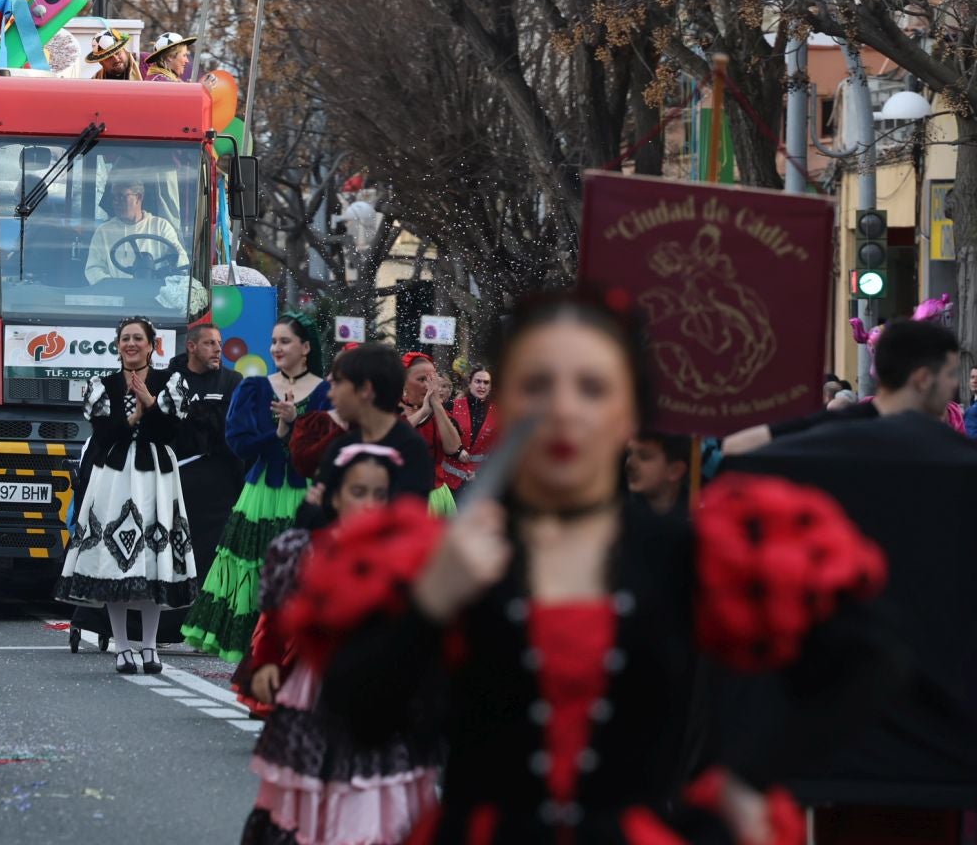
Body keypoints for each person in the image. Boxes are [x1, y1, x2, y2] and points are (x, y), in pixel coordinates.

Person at [287, 288, 895, 842]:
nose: (565, 410)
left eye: (593, 387)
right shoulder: (446, 555)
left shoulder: (687, 550)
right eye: (539, 385)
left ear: (629, 410)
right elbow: (354, 715)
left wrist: (746, 778)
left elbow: (862, 659)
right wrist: (428, 607)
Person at [241, 445, 442, 845]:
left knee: (373, 802)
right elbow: (276, 614)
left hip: (385, 690)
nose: (368, 504)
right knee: (312, 794)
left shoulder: (406, 554)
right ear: (333, 495)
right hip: (314, 685)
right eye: (358, 492)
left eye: (379, 494)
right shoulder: (300, 548)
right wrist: (265, 662)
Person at [183, 312, 331, 662]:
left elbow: (331, 446)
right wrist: (278, 433)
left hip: (306, 493)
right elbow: (238, 443)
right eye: (274, 342)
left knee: (303, 574)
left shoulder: (326, 393)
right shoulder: (255, 387)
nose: (277, 348)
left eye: (285, 341)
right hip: (262, 492)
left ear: (306, 347)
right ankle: (256, 656)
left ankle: (295, 651)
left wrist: (298, 425)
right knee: (254, 570)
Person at [58, 318, 197, 675]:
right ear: (117, 345)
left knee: (153, 558)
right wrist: (135, 415)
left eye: (139, 338)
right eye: (125, 339)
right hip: (114, 478)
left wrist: (150, 401)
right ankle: (122, 647)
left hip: (157, 479)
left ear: (153, 346)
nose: (131, 344)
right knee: (115, 559)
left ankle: (149, 646)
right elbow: (105, 437)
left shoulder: (172, 382)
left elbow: (171, 433)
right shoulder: (100, 385)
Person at [725, 316, 960, 454]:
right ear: (923, 378)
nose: (955, 384)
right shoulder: (953, 453)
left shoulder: (830, 429)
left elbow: (737, 446)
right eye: (951, 373)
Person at [168, 324, 248, 602]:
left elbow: (239, 432)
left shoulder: (232, 380)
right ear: (191, 347)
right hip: (178, 479)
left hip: (221, 482)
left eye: (219, 343)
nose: (217, 350)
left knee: (215, 553)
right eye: (209, 344)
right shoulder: (171, 379)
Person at [306, 343, 437, 501]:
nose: (330, 394)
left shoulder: (410, 449)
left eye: (338, 383)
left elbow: (407, 518)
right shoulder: (339, 444)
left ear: (365, 389)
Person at [85, 179, 184, 283]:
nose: (116, 202)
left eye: (122, 197)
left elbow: (181, 263)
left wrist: (175, 260)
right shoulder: (104, 231)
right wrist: (114, 287)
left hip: (154, 296)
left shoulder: (161, 227)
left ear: (139, 197)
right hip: (115, 296)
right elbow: (93, 268)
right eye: (114, 197)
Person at [401, 353, 465, 514]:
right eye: (421, 380)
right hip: (403, 496)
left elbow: (453, 448)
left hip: (436, 493)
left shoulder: (439, 412)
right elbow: (392, 438)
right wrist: (423, 412)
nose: (428, 386)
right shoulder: (391, 409)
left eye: (431, 380)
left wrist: (436, 405)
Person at [441, 362, 497, 492]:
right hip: (448, 482)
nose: (482, 386)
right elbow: (439, 436)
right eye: (478, 381)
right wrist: (457, 451)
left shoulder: (498, 413)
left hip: (478, 484)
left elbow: (499, 449)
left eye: (486, 382)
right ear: (470, 383)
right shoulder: (452, 406)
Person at [625, 431, 690, 517]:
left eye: (644, 456)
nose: (629, 464)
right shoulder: (618, 516)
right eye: (629, 453)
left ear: (675, 470)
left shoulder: (698, 520)